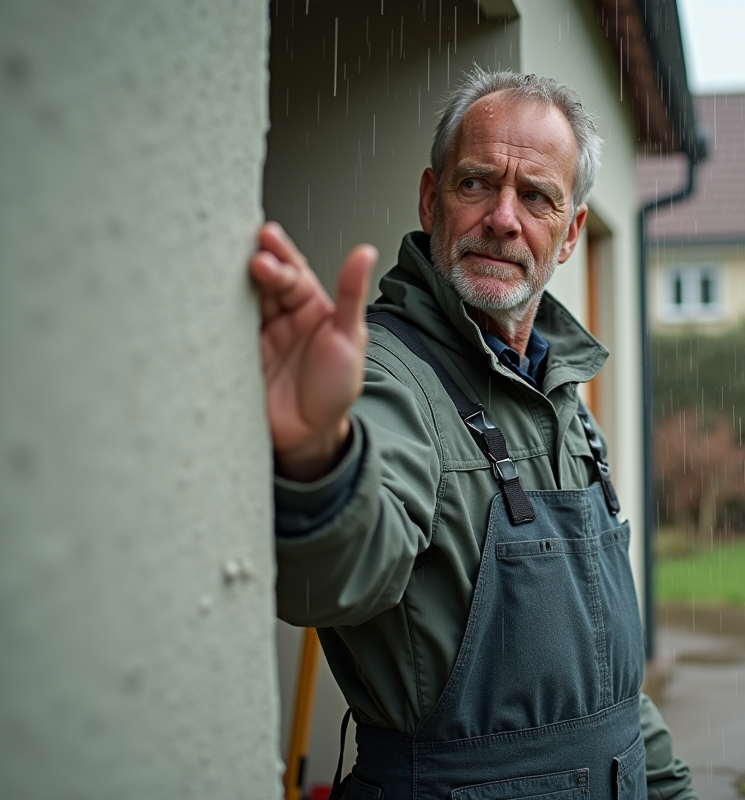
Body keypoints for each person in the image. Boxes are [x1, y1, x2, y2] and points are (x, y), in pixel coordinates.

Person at [249, 69, 698, 800]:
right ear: (432, 200)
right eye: (476, 184)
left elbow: (611, 696)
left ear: (571, 233)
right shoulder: (383, 376)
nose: (502, 217)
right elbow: (332, 581)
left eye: (536, 196)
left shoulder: (563, 399)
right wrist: (315, 456)